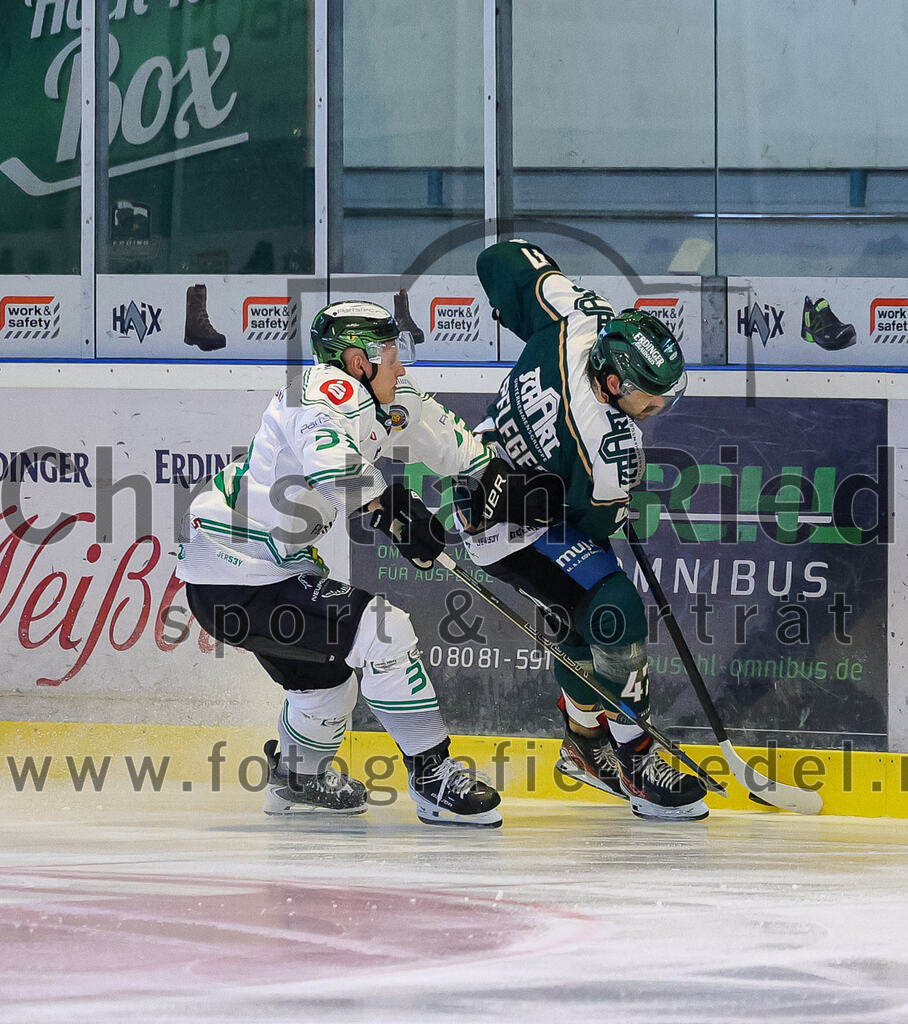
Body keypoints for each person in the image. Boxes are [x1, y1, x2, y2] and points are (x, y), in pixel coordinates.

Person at [175, 299, 502, 828]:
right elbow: (328, 460)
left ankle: (298, 778)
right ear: (357, 362)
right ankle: (434, 777)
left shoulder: (383, 397)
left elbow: (451, 443)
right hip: (233, 577)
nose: (403, 365)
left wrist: (496, 478)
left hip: (262, 576)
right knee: (385, 630)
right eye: (393, 353)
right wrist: (388, 506)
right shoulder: (323, 393)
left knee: (326, 682)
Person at [458, 239, 709, 821]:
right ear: (617, 383)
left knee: (582, 620)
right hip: (508, 520)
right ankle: (636, 758)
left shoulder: (578, 319)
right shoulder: (615, 450)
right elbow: (597, 524)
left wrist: (508, 308)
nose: (659, 406)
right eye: (651, 395)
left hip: (483, 480)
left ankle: (584, 743)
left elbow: (504, 261)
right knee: (615, 607)